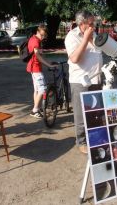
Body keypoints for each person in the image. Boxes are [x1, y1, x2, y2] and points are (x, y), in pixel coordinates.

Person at [65, 10, 103, 154]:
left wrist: (93, 38)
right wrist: (86, 39)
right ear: (82, 24)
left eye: (94, 23)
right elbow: (75, 58)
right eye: (91, 23)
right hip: (80, 81)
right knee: (81, 113)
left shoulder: (95, 34)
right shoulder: (72, 36)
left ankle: (94, 138)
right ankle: (81, 141)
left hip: (96, 78)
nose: (94, 26)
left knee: (95, 111)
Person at [27, 24, 57, 119]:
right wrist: (48, 65)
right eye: (42, 35)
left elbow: (39, 54)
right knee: (42, 89)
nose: (43, 37)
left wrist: (47, 61)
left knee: (36, 89)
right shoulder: (36, 41)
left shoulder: (33, 38)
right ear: (39, 32)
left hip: (32, 68)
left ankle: (37, 108)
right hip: (36, 69)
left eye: (44, 36)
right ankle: (35, 110)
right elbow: (38, 56)